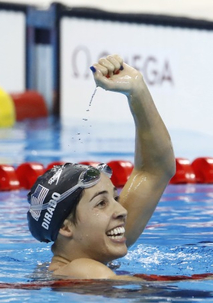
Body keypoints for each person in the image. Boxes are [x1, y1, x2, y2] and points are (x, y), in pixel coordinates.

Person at [27, 55, 175, 280]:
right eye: (101, 203)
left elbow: (155, 171)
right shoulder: (84, 270)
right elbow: (150, 295)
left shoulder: (88, 253)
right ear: (66, 227)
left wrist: (137, 90)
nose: (122, 210)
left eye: (114, 198)